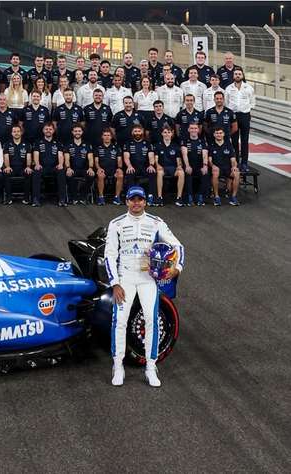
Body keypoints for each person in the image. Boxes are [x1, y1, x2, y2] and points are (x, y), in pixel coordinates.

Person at [105, 186, 184, 388]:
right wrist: (115, 283)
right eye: (132, 199)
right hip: (125, 278)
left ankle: (150, 366)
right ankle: (118, 366)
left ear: (145, 202)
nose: (136, 203)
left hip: (148, 278)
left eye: (139, 199)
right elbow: (109, 255)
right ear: (127, 202)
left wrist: (177, 268)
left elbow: (178, 246)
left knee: (151, 320)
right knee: (120, 321)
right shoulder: (116, 224)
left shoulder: (156, 222)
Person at [225, 68, 255, 172]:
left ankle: (244, 163)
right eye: (236, 74)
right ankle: (236, 162)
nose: (237, 75)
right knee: (234, 140)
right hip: (233, 116)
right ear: (233, 76)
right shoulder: (229, 88)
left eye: (239, 74)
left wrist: (248, 110)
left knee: (244, 140)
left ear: (242, 75)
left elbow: (252, 101)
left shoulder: (249, 88)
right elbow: (226, 102)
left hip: (245, 115)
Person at [32, 122, 67, 206]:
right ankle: (36, 199)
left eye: (50, 129)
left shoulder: (58, 143)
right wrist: (37, 164)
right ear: (43, 130)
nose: (48, 131)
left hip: (54, 167)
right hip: (42, 167)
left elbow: (60, 155)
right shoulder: (38, 142)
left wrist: (61, 164)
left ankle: (62, 199)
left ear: (53, 131)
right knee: (36, 173)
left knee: (61, 172)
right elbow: (36, 154)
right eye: (46, 129)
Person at [123, 124, 157, 203]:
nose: (137, 133)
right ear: (132, 133)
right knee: (130, 172)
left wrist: (151, 165)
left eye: (139, 131)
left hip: (145, 167)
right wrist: (129, 166)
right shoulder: (128, 143)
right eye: (135, 131)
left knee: (152, 172)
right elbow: (126, 157)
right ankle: (130, 196)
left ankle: (151, 196)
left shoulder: (148, 143)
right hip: (133, 166)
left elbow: (151, 156)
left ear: (142, 132)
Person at [180, 122, 211, 206]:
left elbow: (205, 155)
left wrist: (205, 166)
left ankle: (200, 196)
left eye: (195, 128)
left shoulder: (202, 141)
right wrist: (187, 166)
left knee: (206, 173)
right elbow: (184, 154)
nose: (193, 130)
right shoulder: (185, 140)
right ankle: (189, 197)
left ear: (198, 130)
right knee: (188, 174)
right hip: (189, 165)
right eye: (192, 128)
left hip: (199, 166)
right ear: (188, 129)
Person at [153, 126, 185, 206]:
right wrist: (158, 165)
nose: (167, 134)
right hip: (162, 168)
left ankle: (179, 198)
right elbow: (156, 160)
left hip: (173, 169)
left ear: (172, 134)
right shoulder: (158, 145)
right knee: (159, 172)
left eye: (169, 132)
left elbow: (179, 160)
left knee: (181, 172)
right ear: (162, 134)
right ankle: (159, 197)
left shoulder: (176, 146)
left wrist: (179, 166)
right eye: (165, 132)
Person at [209, 127, 240, 206]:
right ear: (214, 134)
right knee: (215, 172)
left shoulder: (228, 145)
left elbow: (233, 159)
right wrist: (213, 166)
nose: (218, 135)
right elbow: (209, 160)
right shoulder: (211, 145)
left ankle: (233, 197)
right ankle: (216, 197)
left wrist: (234, 167)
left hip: (227, 168)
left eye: (220, 133)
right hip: (217, 168)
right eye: (217, 133)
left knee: (236, 173)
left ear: (223, 134)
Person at [2, 124, 33, 205]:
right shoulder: (7, 144)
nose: (16, 133)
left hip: (22, 168)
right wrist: (7, 166)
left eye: (18, 131)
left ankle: (26, 198)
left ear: (21, 132)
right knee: (6, 173)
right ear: (11, 133)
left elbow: (29, 157)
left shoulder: (27, 144)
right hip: (11, 167)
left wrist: (28, 167)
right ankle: (8, 198)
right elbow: (6, 157)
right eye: (14, 131)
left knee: (28, 173)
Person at [64, 124, 94, 205]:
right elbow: (66, 159)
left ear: (82, 132)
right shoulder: (68, 144)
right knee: (68, 175)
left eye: (79, 131)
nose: (77, 132)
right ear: (72, 132)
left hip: (84, 169)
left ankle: (83, 196)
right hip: (72, 168)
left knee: (91, 175)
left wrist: (91, 168)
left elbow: (90, 158)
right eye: (75, 131)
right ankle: (74, 197)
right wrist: (68, 168)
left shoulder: (87, 144)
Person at [94, 128, 124, 205]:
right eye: (105, 135)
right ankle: (101, 197)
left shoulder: (116, 148)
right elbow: (96, 161)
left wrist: (119, 168)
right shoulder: (98, 148)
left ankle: (117, 197)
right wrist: (98, 168)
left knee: (120, 175)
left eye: (108, 135)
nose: (107, 137)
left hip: (113, 169)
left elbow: (119, 160)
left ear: (111, 137)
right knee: (100, 175)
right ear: (102, 137)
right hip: (102, 169)